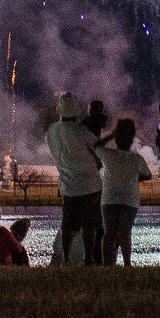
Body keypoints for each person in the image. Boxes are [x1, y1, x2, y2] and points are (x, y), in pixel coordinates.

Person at [47, 91, 104, 265]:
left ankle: (65, 258)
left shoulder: (52, 131)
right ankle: (88, 259)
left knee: (67, 224)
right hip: (90, 184)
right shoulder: (82, 132)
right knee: (89, 224)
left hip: (68, 185)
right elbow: (98, 149)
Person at [98, 117, 153, 266]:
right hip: (129, 200)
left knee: (109, 232)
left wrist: (111, 135)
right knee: (125, 232)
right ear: (132, 138)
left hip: (109, 199)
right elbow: (148, 175)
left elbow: (96, 146)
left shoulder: (109, 154)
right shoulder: (136, 159)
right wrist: (135, 178)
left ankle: (106, 263)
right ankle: (127, 263)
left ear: (117, 138)